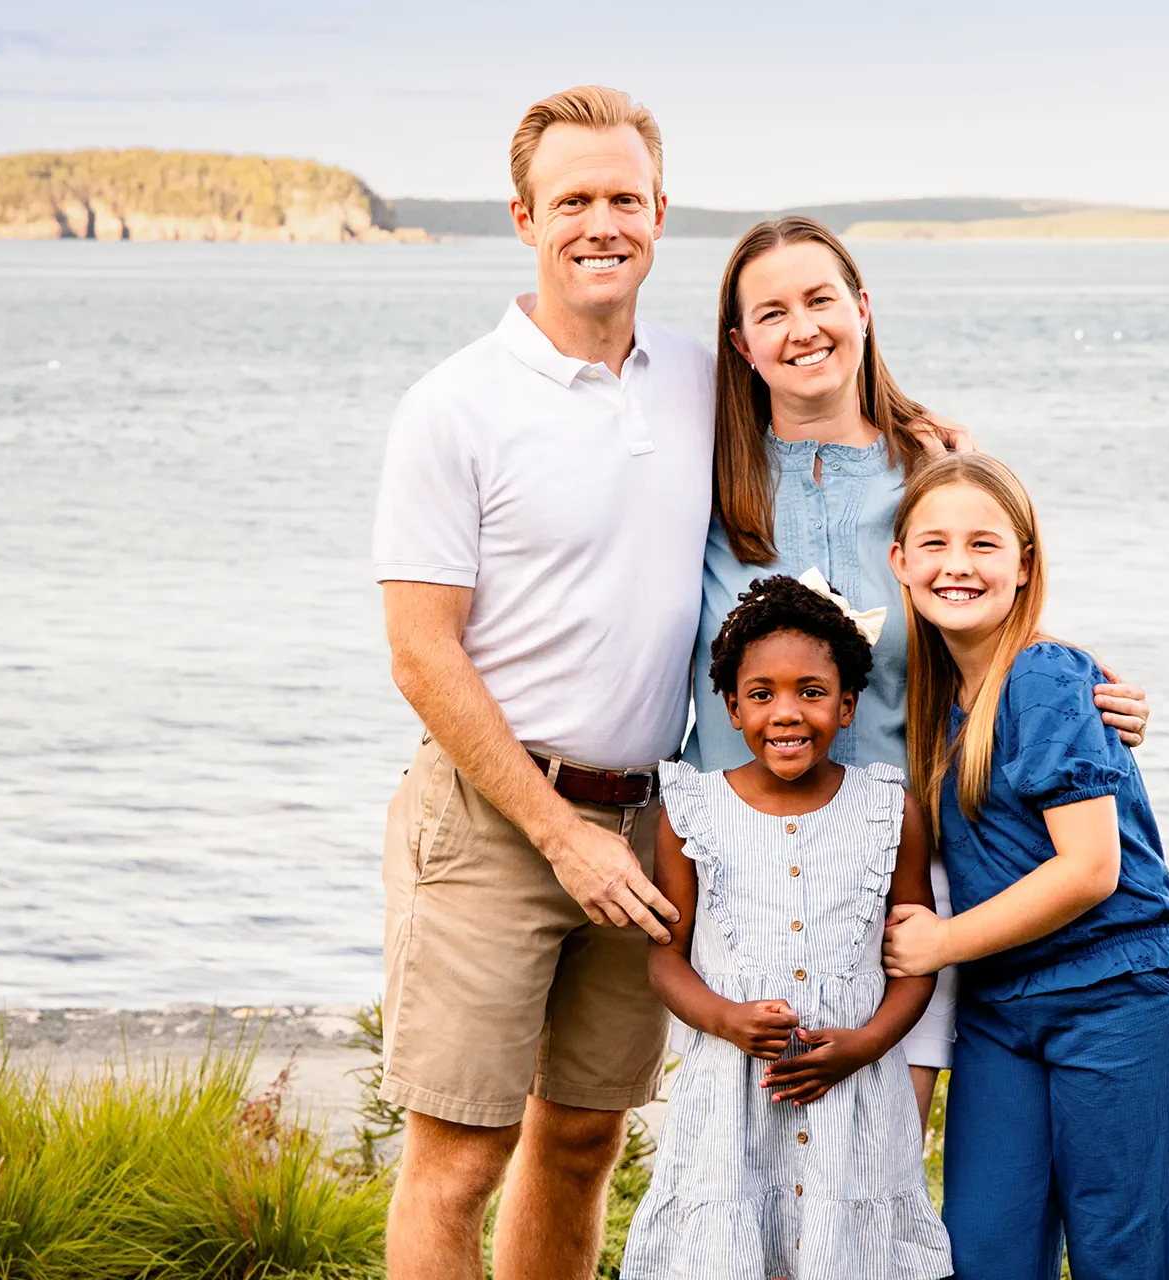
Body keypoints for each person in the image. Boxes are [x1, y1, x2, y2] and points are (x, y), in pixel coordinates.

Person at [685, 217, 1153, 1127]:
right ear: (741, 346)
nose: (802, 327)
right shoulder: (700, 484)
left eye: (821, 299)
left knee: (878, 1165)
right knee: (741, 1172)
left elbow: (975, 601)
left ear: (862, 309)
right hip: (740, 873)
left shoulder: (928, 468)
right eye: (771, 313)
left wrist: (1075, 680)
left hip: (900, 875)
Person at [370, 86, 710, 1280]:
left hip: (648, 821)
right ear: (525, 217)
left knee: (580, 1141)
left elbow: (853, 451)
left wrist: (1052, 664)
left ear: (661, 212)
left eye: (625, 196)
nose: (601, 221)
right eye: (574, 199)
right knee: (456, 1160)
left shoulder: (705, 381)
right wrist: (558, 833)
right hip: (495, 822)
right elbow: (421, 652)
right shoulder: (454, 408)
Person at [880, 453, 1169, 1280]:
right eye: (936, 544)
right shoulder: (931, 696)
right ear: (901, 562)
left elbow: (1091, 869)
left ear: (1025, 565)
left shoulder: (1046, 675)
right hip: (1001, 1011)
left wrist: (939, 943)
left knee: (1124, 1258)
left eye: (985, 545)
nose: (958, 565)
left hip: (1118, 996)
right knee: (984, 1253)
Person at [623, 575, 952, 1280]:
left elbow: (915, 961)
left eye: (811, 691)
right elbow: (666, 960)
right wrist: (726, 1017)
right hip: (731, 1096)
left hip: (853, 1092)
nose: (787, 712)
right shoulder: (691, 812)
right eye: (763, 695)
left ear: (848, 704)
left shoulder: (891, 809)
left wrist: (863, 1043)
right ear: (733, 708)